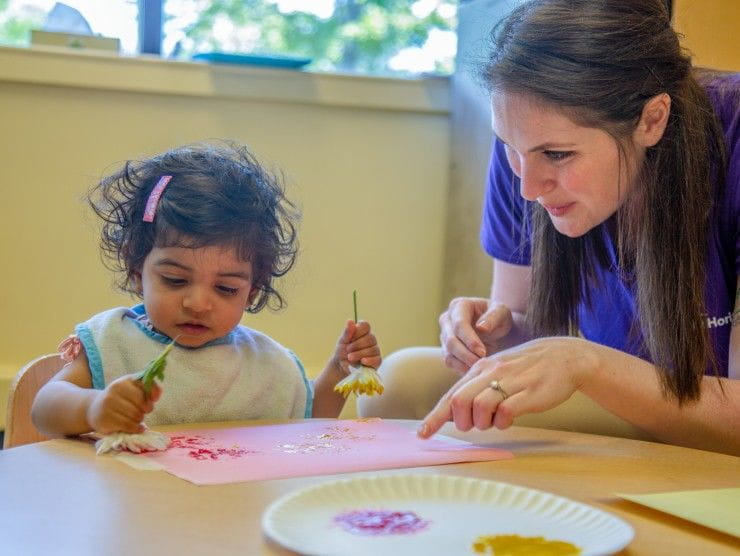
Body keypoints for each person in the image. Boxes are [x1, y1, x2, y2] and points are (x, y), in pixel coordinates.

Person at [366, 0, 739, 455]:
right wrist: (501, 332)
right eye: (511, 148)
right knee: (399, 382)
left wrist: (585, 362)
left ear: (652, 119)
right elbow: (527, 324)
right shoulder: (525, 152)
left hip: (718, 422)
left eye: (558, 155)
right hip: (632, 404)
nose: (528, 189)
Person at [32, 142, 381, 438]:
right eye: (176, 280)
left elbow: (305, 425)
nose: (198, 303)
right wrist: (93, 407)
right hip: (133, 509)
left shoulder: (267, 364)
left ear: (253, 290)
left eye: (226, 288)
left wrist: (337, 370)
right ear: (138, 270)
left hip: (227, 514)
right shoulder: (113, 341)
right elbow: (44, 408)